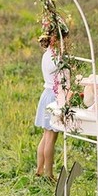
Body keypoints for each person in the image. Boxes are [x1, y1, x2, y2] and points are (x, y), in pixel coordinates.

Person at [34, 30, 62, 179]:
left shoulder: (46, 54)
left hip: (46, 94)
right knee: (51, 137)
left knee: (46, 135)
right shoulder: (56, 57)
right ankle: (49, 174)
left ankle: (39, 169)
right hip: (53, 95)